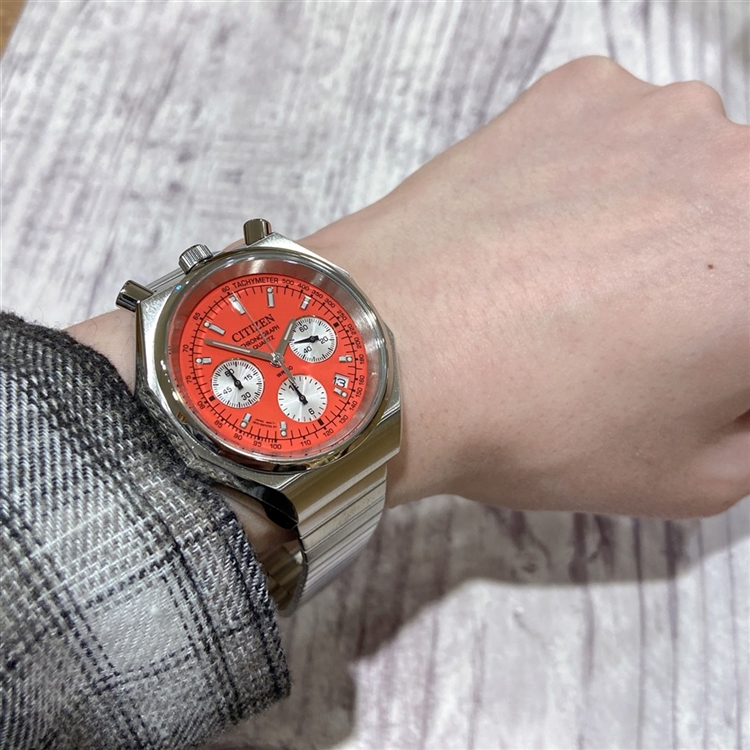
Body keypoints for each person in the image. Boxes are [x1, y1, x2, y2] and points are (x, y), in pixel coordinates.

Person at [2, 57, 748, 750]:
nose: (274, 361)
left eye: (285, 346)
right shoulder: (182, 392)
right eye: (246, 369)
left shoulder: (324, 333)